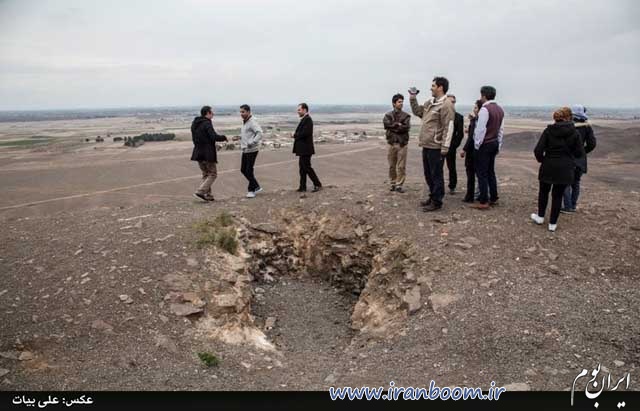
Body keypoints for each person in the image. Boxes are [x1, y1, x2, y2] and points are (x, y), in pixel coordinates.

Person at [531, 107, 585, 232]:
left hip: (548, 165)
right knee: (558, 195)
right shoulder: (575, 133)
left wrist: (543, 160)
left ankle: (540, 217)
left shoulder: (548, 131)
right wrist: (570, 159)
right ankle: (552, 224)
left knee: (543, 192)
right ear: (569, 117)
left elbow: (538, 150)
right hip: (565, 168)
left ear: (555, 118)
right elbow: (580, 153)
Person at [409, 77, 455, 212]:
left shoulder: (446, 105)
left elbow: (449, 126)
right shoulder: (430, 103)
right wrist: (413, 98)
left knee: (436, 175)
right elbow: (418, 112)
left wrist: (445, 146)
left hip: (436, 146)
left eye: (433, 86)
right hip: (427, 144)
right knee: (428, 174)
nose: (431, 88)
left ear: (440, 87)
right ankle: (433, 196)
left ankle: (437, 201)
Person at [471, 86, 505, 210]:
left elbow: (480, 129)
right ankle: (494, 197)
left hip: (484, 144)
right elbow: (501, 130)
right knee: (491, 171)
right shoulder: (500, 109)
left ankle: (483, 200)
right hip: (494, 143)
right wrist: (499, 144)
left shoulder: (485, 109)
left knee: (482, 173)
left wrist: (477, 145)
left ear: (484, 95)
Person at [561, 104, 596, 213]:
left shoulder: (568, 125)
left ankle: (567, 207)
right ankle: (573, 206)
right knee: (576, 182)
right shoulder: (587, 127)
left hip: (568, 158)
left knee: (566, 183)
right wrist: (582, 152)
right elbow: (592, 144)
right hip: (580, 160)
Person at [191, 106, 227, 202]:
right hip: (207, 153)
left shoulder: (195, 123)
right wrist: (224, 137)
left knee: (206, 174)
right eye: (212, 112)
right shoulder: (207, 123)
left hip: (198, 152)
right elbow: (213, 136)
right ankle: (200, 191)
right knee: (213, 174)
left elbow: (194, 138)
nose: (213, 114)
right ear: (207, 113)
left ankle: (208, 195)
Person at [383, 93, 411, 193]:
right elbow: (386, 125)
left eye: (402, 102)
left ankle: (399, 185)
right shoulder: (388, 115)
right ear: (394, 103)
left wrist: (393, 126)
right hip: (391, 143)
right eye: (399, 102)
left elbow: (405, 127)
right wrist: (398, 125)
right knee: (392, 166)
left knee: (401, 166)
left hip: (402, 144)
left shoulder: (406, 116)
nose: (401, 103)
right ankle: (393, 183)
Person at [292, 103, 322, 192]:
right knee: (302, 168)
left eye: (299, 110)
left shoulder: (308, 120)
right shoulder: (305, 119)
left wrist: (294, 135)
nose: (298, 111)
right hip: (303, 149)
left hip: (306, 149)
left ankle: (317, 184)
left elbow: (305, 133)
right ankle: (302, 187)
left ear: (304, 110)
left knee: (307, 167)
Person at [239, 104, 264, 199]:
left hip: (252, 149)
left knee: (248, 170)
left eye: (243, 112)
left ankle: (252, 190)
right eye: (240, 112)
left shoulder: (252, 122)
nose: (241, 114)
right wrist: (239, 137)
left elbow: (260, 133)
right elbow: (247, 134)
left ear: (248, 112)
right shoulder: (245, 122)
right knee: (243, 170)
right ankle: (256, 186)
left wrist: (252, 142)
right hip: (245, 149)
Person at [461, 100, 483, 202]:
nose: (474, 110)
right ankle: (480, 194)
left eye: (476, 108)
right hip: (479, 151)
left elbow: (471, 138)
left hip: (473, 151)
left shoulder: (476, 121)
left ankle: (470, 196)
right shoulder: (477, 120)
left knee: (471, 174)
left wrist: (464, 149)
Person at [445, 94, 465, 194]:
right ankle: (436, 186)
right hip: (438, 145)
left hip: (451, 147)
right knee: (437, 167)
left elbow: (460, 134)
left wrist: (453, 146)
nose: (451, 104)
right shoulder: (440, 115)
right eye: (449, 102)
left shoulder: (459, 117)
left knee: (451, 167)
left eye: (453, 102)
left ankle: (452, 186)